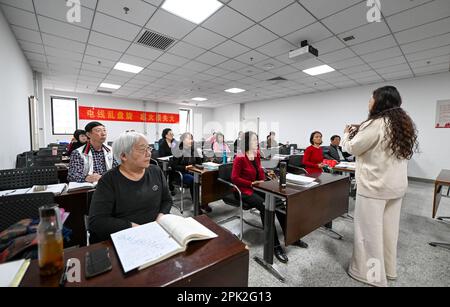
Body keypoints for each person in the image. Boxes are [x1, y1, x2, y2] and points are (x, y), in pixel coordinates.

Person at [342, 86, 418, 287]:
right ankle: (389, 270)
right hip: (395, 187)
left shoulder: (376, 123)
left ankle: (372, 276)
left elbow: (353, 147)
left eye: (371, 98)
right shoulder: (403, 124)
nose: (369, 102)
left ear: (380, 101)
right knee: (388, 231)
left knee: (369, 234)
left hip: (374, 187)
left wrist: (346, 135)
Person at [231, 131, 308, 264]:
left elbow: (259, 172)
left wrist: (267, 178)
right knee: (265, 206)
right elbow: (234, 178)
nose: (257, 142)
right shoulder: (240, 157)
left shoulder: (256, 155)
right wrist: (251, 183)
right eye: (254, 140)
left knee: (278, 202)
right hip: (243, 190)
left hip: (258, 186)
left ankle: (291, 237)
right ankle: (274, 246)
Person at [88, 132, 172, 243]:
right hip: (126, 238)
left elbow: (167, 200)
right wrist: (134, 227)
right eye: (142, 150)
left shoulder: (155, 171)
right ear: (123, 156)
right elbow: (97, 221)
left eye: (149, 148)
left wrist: (160, 217)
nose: (148, 154)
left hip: (155, 232)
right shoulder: (109, 180)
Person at [172, 133, 210, 212]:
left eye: (191, 139)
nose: (191, 140)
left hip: (193, 171)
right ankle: (196, 205)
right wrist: (185, 167)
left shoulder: (194, 149)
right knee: (193, 180)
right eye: (189, 139)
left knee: (207, 178)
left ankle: (204, 203)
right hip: (181, 173)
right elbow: (173, 166)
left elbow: (199, 162)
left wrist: (200, 163)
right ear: (183, 140)